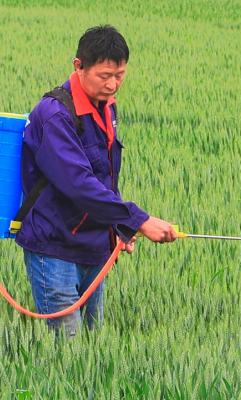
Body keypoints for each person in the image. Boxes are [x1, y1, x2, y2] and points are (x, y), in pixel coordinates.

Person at [16, 25, 177, 336]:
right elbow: (79, 183)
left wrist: (118, 227)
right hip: (55, 249)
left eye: (120, 75)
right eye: (105, 75)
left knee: (94, 347)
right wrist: (138, 219)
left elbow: (105, 179)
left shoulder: (107, 107)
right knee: (71, 353)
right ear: (79, 66)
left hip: (94, 248)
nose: (113, 84)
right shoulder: (54, 115)